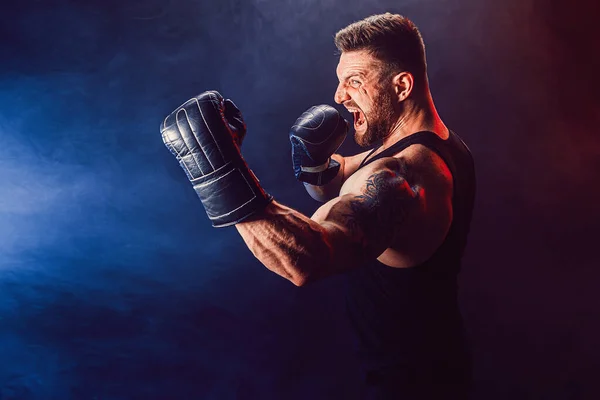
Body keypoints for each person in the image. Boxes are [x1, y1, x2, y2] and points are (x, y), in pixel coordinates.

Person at [161, 12, 475, 400]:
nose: (339, 97)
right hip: (435, 368)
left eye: (354, 83)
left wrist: (218, 169)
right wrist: (317, 165)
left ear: (402, 85)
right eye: (341, 82)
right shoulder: (437, 144)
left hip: (407, 386)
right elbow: (346, 175)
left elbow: (308, 257)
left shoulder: (404, 177)